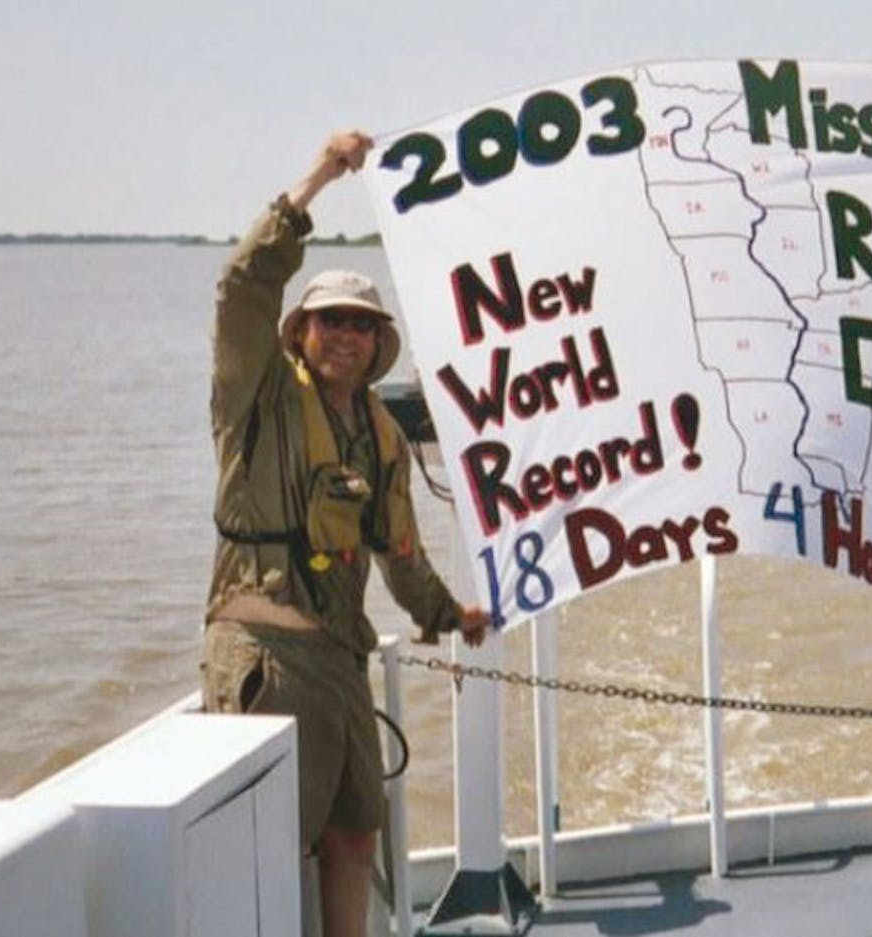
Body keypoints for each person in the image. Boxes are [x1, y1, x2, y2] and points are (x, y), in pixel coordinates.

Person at [201, 130, 491, 937]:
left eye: (360, 326)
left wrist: (447, 613)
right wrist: (323, 176)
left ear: (377, 344)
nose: (345, 335)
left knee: (355, 829)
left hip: (339, 657)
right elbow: (242, 284)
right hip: (263, 654)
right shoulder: (254, 398)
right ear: (301, 332)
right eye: (329, 321)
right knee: (266, 848)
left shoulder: (379, 434)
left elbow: (400, 554)